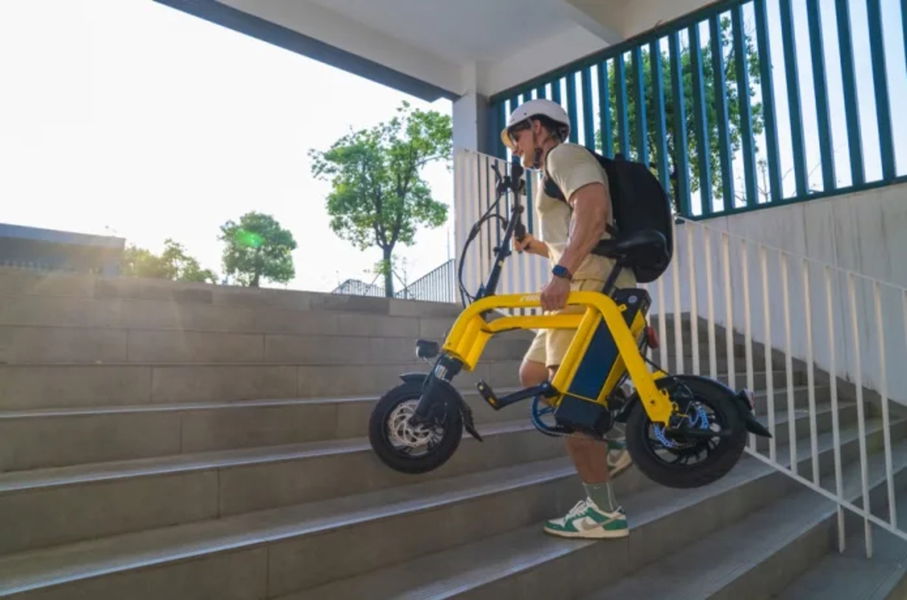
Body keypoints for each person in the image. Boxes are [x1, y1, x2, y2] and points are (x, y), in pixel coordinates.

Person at [501, 98, 636, 540]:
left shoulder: (564, 155)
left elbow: (593, 215)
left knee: (574, 402)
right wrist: (538, 248)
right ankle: (615, 443)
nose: (514, 148)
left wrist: (561, 272)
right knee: (533, 374)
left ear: (538, 128)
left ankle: (602, 512)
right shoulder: (550, 172)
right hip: (578, 283)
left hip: (587, 285)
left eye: (516, 136)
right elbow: (570, 234)